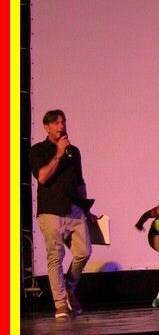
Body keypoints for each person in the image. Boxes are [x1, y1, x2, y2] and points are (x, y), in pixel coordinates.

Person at [28, 110, 95, 318]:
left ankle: (69, 286)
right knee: (55, 256)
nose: (61, 126)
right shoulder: (38, 150)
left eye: (63, 122)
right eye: (56, 123)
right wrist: (58, 153)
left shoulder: (73, 151)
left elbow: (80, 182)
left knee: (84, 251)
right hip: (51, 211)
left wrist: (87, 209)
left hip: (74, 209)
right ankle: (60, 304)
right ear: (46, 127)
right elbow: (42, 177)